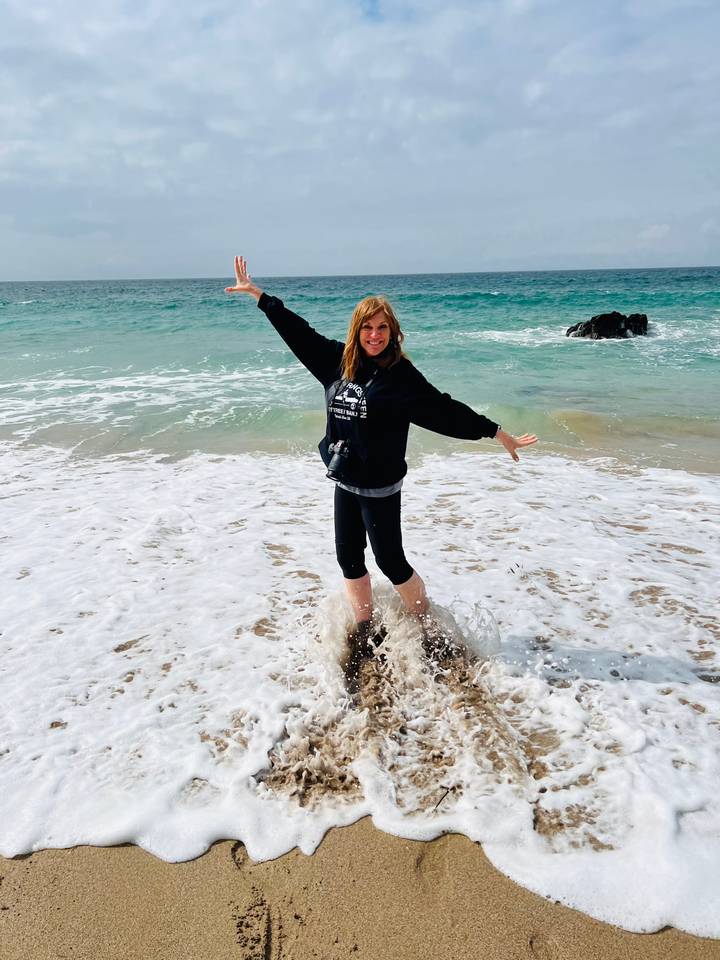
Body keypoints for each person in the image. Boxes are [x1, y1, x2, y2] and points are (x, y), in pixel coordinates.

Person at [226, 256, 537, 687]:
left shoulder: (399, 376)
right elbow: (298, 332)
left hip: (380, 485)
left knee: (391, 561)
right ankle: (364, 626)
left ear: (392, 333)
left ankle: (426, 622)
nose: (374, 335)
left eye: (382, 328)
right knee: (348, 558)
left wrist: (495, 432)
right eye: (367, 328)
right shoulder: (336, 362)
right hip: (345, 478)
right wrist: (260, 297)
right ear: (357, 330)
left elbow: (442, 408)